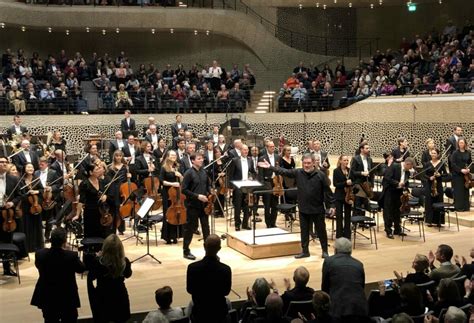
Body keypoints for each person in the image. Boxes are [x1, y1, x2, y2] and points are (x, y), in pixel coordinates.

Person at [259, 153, 335, 259]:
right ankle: (305, 251)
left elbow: (328, 192)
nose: (306, 165)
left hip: (317, 209)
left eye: (309, 163)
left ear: (313, 163)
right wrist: (271, 167)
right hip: (303, 208)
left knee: (321, 231)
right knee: (304, 231)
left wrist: (331, 205)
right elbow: (284, 171)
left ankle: (325, 251)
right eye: (304, 163)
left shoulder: (320, 175)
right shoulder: (299, 172)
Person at [31, 227, 86, 323]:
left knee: (50, 320)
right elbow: (81, 269)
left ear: (51, 240)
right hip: (67, 296)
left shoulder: (40, 254)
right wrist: (68, 250)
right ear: (64, 241)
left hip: (48, 296)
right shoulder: (71, 256)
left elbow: (39, 266)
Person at [85, 234, 132, 323]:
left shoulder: (98, 262)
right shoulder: (125, 262)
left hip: (103, 296)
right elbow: (128, 274)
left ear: (105, 248)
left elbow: (92, 277)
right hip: (120, 296)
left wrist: (98, 257)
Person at [186, 234, 232, 323]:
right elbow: (226, 292)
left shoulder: (192, 267)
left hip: (199, 314)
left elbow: (190, 290)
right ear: (219, 249)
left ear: (204, 246)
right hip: (219, 315)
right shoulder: (225, 269)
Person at [321, 237, 368, 323]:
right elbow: (362, 286)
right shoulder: (359, 264)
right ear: (350, 251)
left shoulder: (328, 261)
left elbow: (325, 287)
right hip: (360, 308)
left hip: (338, 310)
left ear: (335, 250)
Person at [181, 152, 211, 260]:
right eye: (199, 159)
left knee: (206, 229)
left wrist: (209, 192)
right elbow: (183, 190)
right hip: (192, 205)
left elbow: (208, 185)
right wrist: (197, 196)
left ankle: (209, 252)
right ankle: (186, 251)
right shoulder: (188, 173)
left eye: (202, 158)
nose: (201, 160)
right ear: (193, 161)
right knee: (190, 228)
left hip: (204, 206)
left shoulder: (204, 172)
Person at [380, 157, 415, 239]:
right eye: (410, 167)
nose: (410, 169)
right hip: (390, 192)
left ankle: (397, 229)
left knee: (397, 211)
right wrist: (397, 183)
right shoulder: (394, 166)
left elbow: (406, 183)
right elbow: (387, 178)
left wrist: (406, 190)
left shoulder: (407, 172)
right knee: (388, 211)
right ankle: (388, 231)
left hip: (399, 193)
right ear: (407, 164)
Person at [0, 155, 22, 276]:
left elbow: (20, 195)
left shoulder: (13, 179)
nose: (3, 164)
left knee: (7, 239)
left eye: (5, 162)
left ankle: (7, 268)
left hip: (8, 214)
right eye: (1, 162)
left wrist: (12, 202)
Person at [228, 144, 257, 231]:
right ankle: (237, 224)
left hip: (247, 186)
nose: (246, 151)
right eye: (245, 150)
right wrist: (231, 187)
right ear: (240, 150)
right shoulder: (235, 160)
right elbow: (231, 175)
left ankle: (245, 224)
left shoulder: (250, 160)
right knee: (238, 206)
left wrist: (252, 177)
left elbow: (253, 172)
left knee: (247, 206)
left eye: (247, 150)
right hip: (238, 186)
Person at [77, 163, 107, 238]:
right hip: (90, 212)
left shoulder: (101, 182)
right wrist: (77, 215)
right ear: (91, 172)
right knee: (90, 233)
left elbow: (105, 194)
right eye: (96, 170)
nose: (99, 171)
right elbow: (81, 200)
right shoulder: (85, 184)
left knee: (101, 232)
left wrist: (105, 197)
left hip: (101, 211)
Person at [160, 150, 183, 245]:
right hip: (167, 194)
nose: (174, 156)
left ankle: (175, 235)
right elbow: (161, 181)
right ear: (168, 156)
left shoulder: (177, 167)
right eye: (172, 155)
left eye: (175, 155)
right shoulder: (164, 167)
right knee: (168, 214)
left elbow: (182, 180)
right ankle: (168, 237)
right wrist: (172, 183)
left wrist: (180, 176)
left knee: (176, 213)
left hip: (176, 194)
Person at [21, 162, 44, 253]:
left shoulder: (36, 179)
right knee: (28, 226)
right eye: (28, 167)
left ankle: (37, 245)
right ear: (24, 169)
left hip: (36, 205)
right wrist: (27, 194)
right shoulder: (21, 180)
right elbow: (20, 194)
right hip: (27, 206)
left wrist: (36, 191)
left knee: (37, 225)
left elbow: (42, 190)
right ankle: (29, 247)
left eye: (32, 167)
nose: (30, 168)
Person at [258, 140, 281, 228]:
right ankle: (268, 223)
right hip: (267, 182)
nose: (272, 148)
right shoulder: (262, 158)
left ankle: (273, 222)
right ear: (267, 148)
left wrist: (279, 182)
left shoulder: (277, 157)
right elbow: (260, 174)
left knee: (275, 204)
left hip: (275, 183)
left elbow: (279, 170)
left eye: (273, 146)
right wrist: (262, 185)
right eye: (271, 147)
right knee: (267, 205)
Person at [423, 149, 448, 226]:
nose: (433, 154)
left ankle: (438, 221)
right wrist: (429, 177)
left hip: (438, 185)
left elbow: (446, 174)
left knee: (438, 201)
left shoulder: (441, 163)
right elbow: (424, 174)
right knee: (429, 202)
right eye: (432, 153)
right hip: (429, 185)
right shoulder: (427, 164)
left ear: (437, 154)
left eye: (435, 153)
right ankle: (429, 221)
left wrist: (440, 175)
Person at [349, 143, 374, 217]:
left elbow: (372, 173)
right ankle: (355, 222)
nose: (368, 150)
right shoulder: (355, 159)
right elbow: (352, 172)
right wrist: (362, 173)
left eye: (368, 148)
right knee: (357, 203)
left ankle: (362, 222)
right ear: (361, 149)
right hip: (358, 184)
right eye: (366, 148)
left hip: (366, 184)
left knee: (364, 203)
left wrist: (371, 184)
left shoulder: (369, 159)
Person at [332, 155, 352, 239]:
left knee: (348, 216)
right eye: (344, 160)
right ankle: (339, 235)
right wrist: (345, 183)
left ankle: (347, 235)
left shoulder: (350, 170)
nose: (346, 162)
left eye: (347, 160)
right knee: (339, 216)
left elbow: (352, 182)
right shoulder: (336, 171)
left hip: (348, 196)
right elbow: (335, 184)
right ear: (340, 161)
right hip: (339, 196)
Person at [449, 137, 471, 211]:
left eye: (462, 142)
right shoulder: (455, 153)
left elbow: (470, 163)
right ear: (458, 144)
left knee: (465, 190)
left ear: (465, 143)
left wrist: (468, 169)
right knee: (459, 191)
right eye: (460, 142)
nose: (461, 144)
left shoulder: (468, 152)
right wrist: (461, 170)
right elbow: (453, 164)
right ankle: (459, 207)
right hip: (457, 175)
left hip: (466, 175)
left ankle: (466, 207)